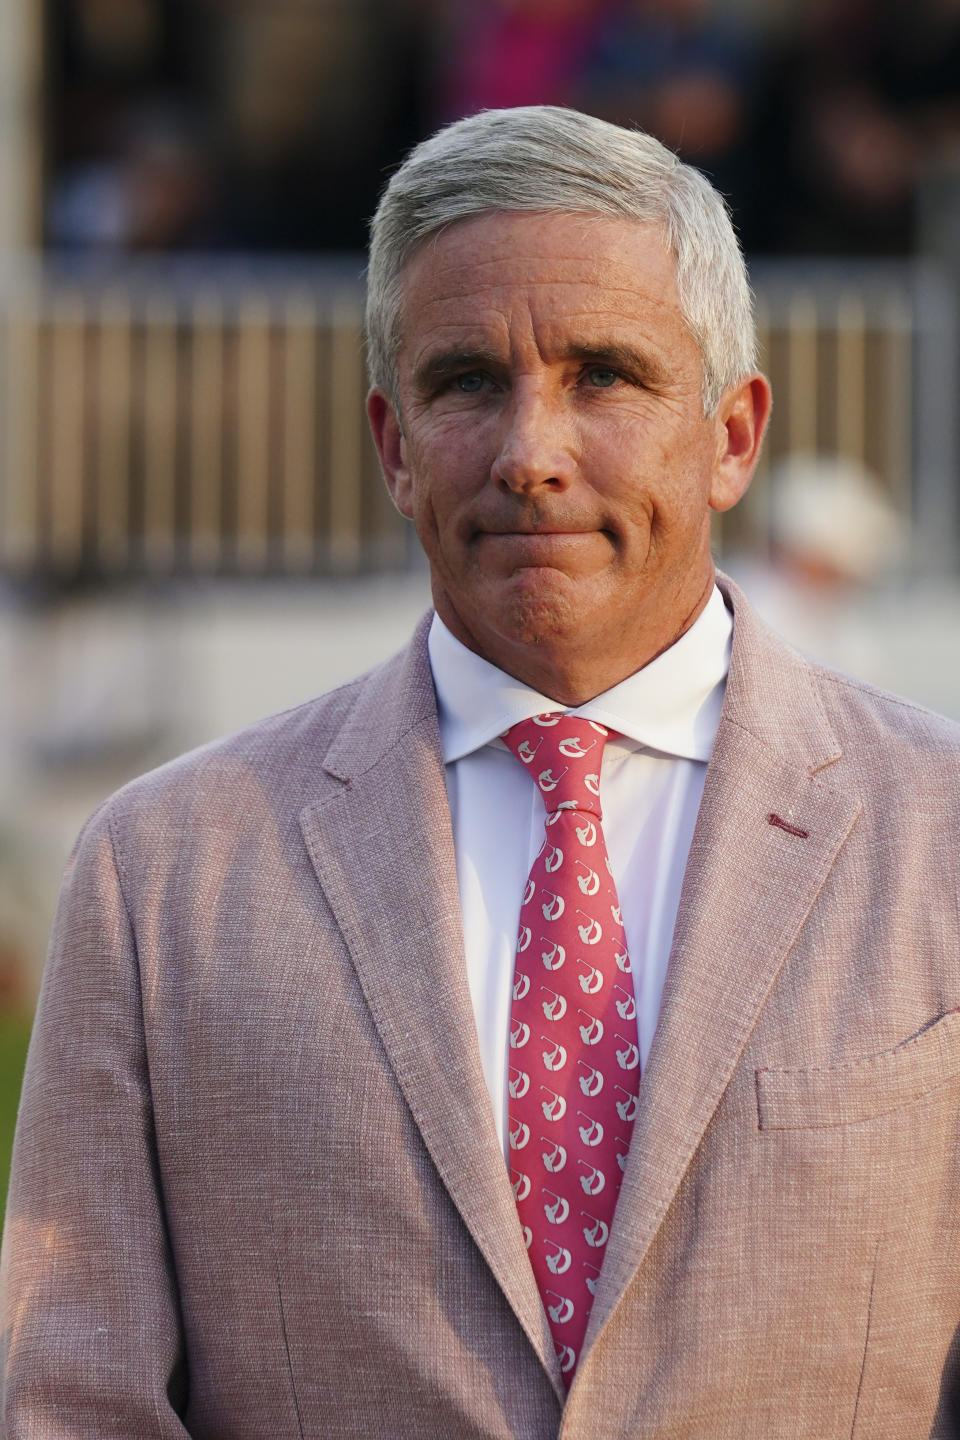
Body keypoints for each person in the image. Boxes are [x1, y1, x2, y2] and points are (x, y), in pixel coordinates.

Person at [3, 105, 960, 1440]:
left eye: (606, 376)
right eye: (467, 384)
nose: (532, 454)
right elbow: (72, 1400)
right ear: (394, 446)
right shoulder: (163, 873)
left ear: (732, 435)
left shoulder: (939, 841)